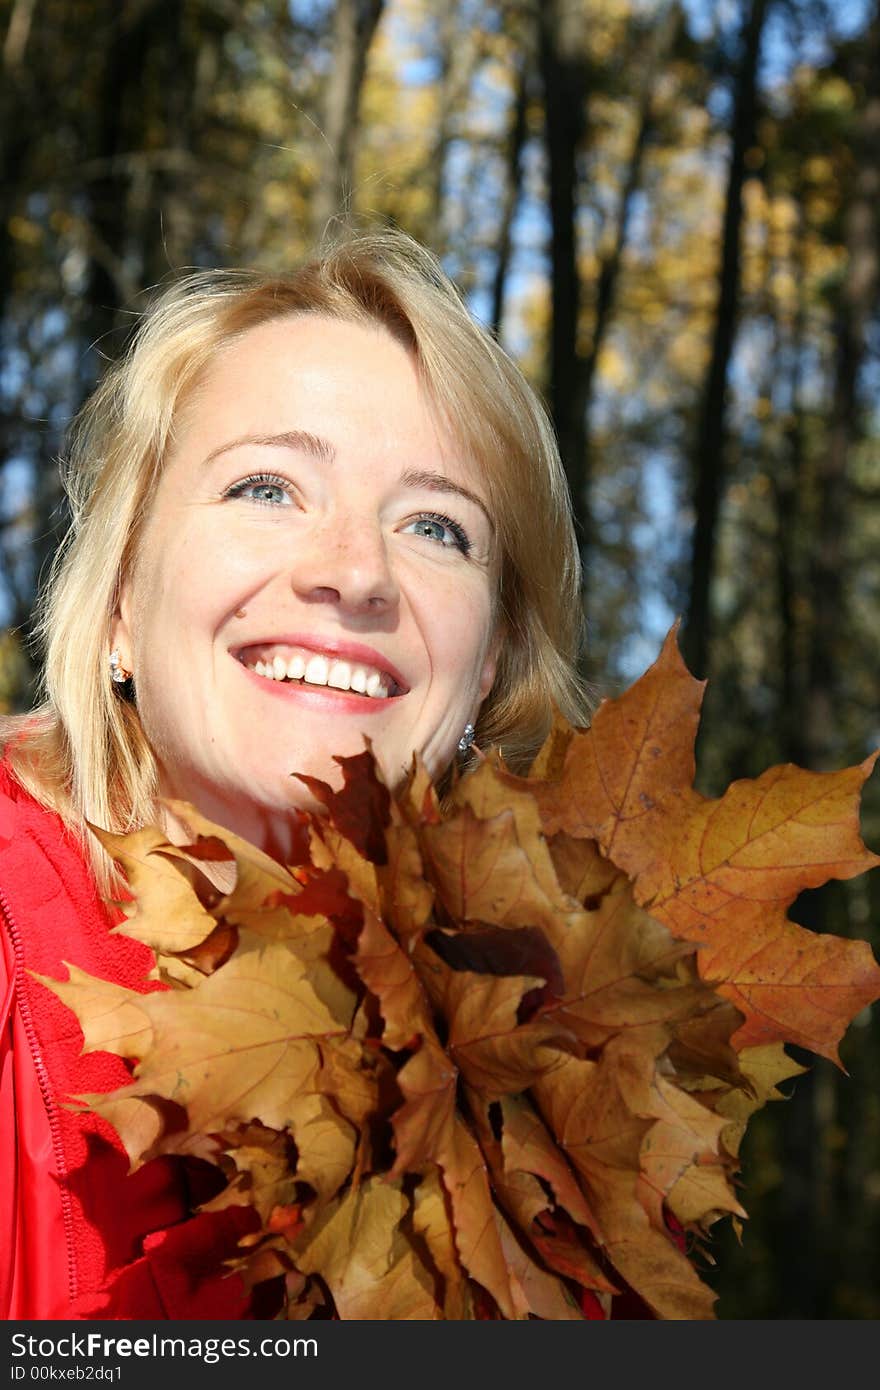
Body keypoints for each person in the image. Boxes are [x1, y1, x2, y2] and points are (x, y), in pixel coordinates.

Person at [0, 228, 591, 1319]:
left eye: (434, 526)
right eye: (268, 487)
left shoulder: (544, 1102)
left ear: (492, 661)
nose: (356, 571)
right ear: (122, 596)